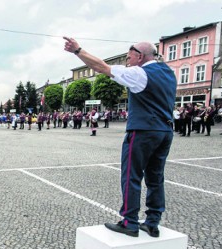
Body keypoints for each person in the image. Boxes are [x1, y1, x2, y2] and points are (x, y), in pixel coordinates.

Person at [64, 37, 176, 237]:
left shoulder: (139, 73)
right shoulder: (168, 73)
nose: (127, 60)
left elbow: (101, 67)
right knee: (156, 177)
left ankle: (129, 222)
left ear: (139, 56)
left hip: (143, 131)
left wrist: (77, 50)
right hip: (165, 131)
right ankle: (152, 222)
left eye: (129, 56)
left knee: (131, 175)